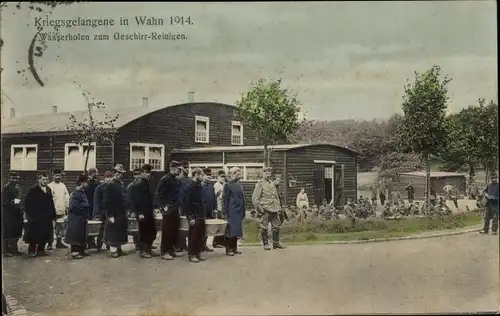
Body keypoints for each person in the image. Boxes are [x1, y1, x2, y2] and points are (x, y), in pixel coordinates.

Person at [24, 173, 57, 257]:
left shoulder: (48, 189)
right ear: (39, 180)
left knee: (45, 233)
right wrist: (29, 216)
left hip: (46, 217)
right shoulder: (33, 190)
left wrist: (53, 215)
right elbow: (27, 203)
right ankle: (31, 251)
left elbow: (51, 203)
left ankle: (41, 250)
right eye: (43, 179)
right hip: (36, 217)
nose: (45, 181)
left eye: (46, 179)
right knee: (34, 234)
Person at [128, 164, 158, 258]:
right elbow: (135, 200)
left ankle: (148, 249)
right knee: (144, 231)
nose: (148, 174)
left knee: (152, 231)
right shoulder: (138, 185)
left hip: (148, 212)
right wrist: (139, 213)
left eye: (149, 172)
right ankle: (143, 251)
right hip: (142, 213)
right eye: (146, 172)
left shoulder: (147, 184)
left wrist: (153, 209)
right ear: (142, 173)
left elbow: (149, 199)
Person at [252, 167, 285, 251]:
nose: (268, 174)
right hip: (265, 209)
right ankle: (266, 244)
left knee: (277, 226)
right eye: (266, 173)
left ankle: (276, 243)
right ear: (263, 173)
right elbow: (255, 198)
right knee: (264, 227)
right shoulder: (260, 184)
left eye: (269, 173)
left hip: (274, 208)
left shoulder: (272, 184)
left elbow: (276, 196)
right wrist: (260, 209)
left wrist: (279, 207)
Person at [155, 160, 183, 260]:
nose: (180, 171)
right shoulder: (164, 179)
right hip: (168, 209)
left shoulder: (176, 180)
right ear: (173, 168)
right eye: (179, 169)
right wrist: (163, 207)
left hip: (175, 208)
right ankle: (164, 251)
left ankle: (171, 250)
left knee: (174, 230)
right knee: (167, 230)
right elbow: (158, 194)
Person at [103, 164, 129, 258]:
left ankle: (119, 248)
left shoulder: (121, 184)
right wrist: (110, 215)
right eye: (118, 173)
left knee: (120, 231)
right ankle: (113, 250)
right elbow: (108, 201)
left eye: (121, 173)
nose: (120, 175)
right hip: (114, 212)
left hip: (121, 212)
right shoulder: (111, 184)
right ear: (114, 173)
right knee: (113, 232)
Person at [183, 168, 206, 263]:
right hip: (194, 216)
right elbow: (186, 203)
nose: (203, 177)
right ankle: (191, 254)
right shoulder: (189, 187)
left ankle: (197, 253)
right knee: (194, 236)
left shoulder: (199, 186)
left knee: (200, 235)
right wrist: (190, 217)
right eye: (201, 175)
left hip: (200, 215)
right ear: (196, 175)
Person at [65, 174, 91, 259]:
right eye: (86, 182)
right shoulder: (75, 193)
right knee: (75, 235)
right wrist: (84, 205)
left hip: (81, 218)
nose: (87, 184)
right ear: (82, 183)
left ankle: (81, 250)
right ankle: (75, 252)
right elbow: (73, 206)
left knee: (81, 234)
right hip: (75, 218)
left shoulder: (82, 192)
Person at [223, 167, 246, 256]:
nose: (240, 175)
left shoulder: (239, 185)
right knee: (230, 231)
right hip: (231, 211)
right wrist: (225, 213)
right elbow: (225, 200)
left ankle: (234, 248)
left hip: (239, 211)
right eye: (238, 174)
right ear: (233, 174)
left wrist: (243, 210)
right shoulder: (227, 185)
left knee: (237, 230)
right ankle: (229, 249)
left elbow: (242, 198)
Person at [47, 169, 69, 250]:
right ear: (53, 176)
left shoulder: (63, 186)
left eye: (59, 176)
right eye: (56, 175)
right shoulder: (49, 186)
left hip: (61, 210)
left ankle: (59, 242)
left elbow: (66, 198)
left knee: (61, 227)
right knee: (51, 227)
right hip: (52, 211)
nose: (57, 177)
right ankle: (50, 243)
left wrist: (67, 207)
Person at [2, 172, 23, 257]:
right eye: (13, 178)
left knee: (16, 231)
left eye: (16, 178)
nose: (15, 179)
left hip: (17, 212)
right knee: (7, 232)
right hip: (9, 213)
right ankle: (6, 250)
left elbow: (20, 197)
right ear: (9, 178)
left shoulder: (17, 187)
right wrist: (12, 202)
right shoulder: (6, 188)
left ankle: (14, 249)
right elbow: (4, 201)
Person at [93, 171, 113, 251]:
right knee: (101, 229)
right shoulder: (99, 188)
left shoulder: (113, 187)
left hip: (110, 211)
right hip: (102, 211)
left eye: (110, 177)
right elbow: (97, 201)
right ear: (104, 178)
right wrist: (97, 212)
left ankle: (109, 244)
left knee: (110, 228)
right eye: (107, 177)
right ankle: (99, 245)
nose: (108, 179)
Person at [176, 160, 191, 253]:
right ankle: (180, 245)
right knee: (181, 225)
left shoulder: (186, 180)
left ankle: (182, 244)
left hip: (184, 206)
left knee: (183, 225)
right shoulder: (179, 180)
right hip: (181, 206)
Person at [201, 168, 216, 252]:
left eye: (210, 175)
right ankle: (200, 245)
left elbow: (213, 197)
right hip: (202, 211)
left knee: (208, 229)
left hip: (210, 210)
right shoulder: (200, 185)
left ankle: (204, 244)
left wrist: (214, 208)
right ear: (203, 175)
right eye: (207, 175)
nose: (209, 177)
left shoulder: (211, 185)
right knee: (202, 228)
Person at [127, 168, 142, 251]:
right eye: (135, 174)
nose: (137, 176)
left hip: (142, 209)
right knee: (135, 228)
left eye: (138, 174)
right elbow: (129, 199)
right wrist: (131, 211)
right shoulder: (131, 186)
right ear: (133, 176)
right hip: (134, 210)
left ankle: (144, 243)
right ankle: (137, 244)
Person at [84, 168, 99, 249]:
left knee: (92, 225)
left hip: (92, 206)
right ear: (93, 173)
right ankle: (88, 242)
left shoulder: (93, 182)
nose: (97, 174)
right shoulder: (88, 183)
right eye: (96, 173)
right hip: (89, 207)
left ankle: (91, 242)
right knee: (88, 225)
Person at [212, 170, 226, 248]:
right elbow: (218, 197)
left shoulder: (224, 184)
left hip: (223, 208)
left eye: (224, 176)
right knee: (219, 225)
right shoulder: (216, 185)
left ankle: (221, 241)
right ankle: (216, 242)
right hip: (219, 207)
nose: (223, 178)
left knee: (223, 225)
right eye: (221, 176)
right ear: (218, 177)